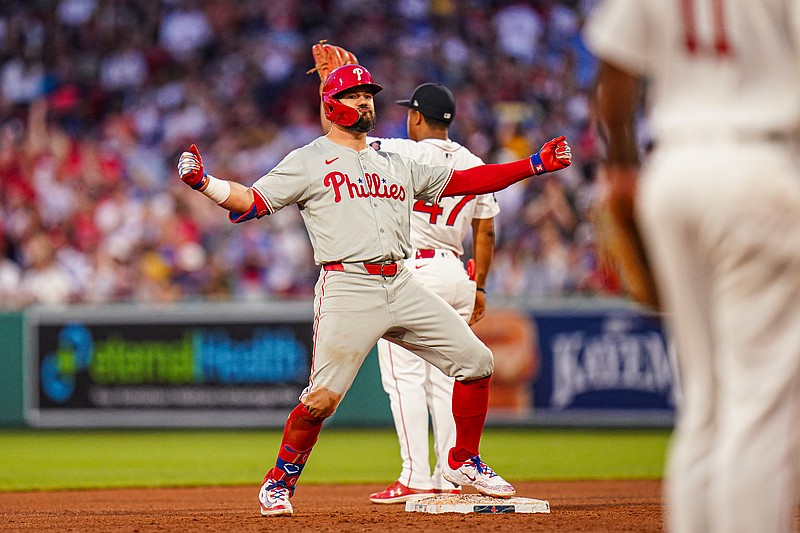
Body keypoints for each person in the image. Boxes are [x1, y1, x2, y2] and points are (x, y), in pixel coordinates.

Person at [177, 63, 572, 517]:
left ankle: (463, 461)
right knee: (321, 399)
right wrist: (204, 184)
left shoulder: (393, 160)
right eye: (354, 95)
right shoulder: (308, 159)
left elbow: (463, 183)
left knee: (477, 362)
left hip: (403, 281)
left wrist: (535, 164)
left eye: (369, 95)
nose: (365, 101)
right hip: (347, 286)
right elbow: (252, 201)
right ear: (331, 104)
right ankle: (279, 481)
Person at [585, 2, 800, 532]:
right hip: (760, 161)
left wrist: (622, 167)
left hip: (673, 170)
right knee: (759, 403)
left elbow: (615, 65)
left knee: (704, 401)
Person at [364, 83, 499, 504]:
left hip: (412, 269)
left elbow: (345, 138)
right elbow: (487, 229)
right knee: (448, 379)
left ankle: (415, 477)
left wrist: (329, 91)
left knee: (403, 377)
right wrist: (478, 286)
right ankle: (447, 474)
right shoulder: (473, 161)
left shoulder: (401, 151)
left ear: (417, 117)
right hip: (456, 269)